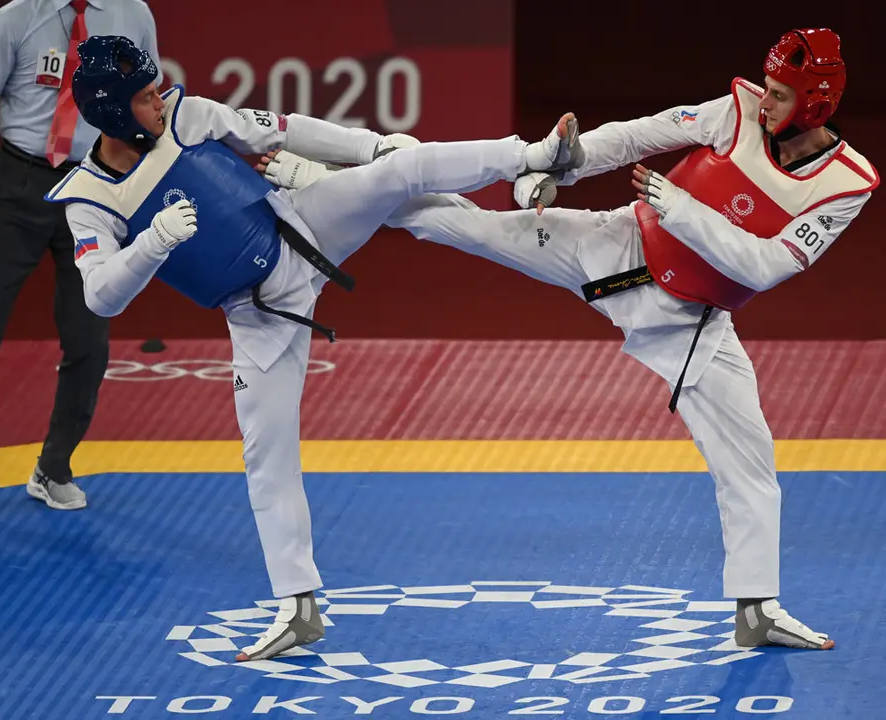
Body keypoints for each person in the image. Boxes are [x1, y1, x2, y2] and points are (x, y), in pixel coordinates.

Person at [261, 28, 878, 651]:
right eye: (767, 89)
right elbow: (639, 134)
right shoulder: (737, 111)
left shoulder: (844, 184)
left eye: (780, 95)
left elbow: (764, 266)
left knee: (751, 465)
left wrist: (681, 208)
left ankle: (758, 610)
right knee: (466, 227)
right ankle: (324, 173)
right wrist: (563, 164)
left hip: (695, 325)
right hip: (621, 256)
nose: (766, 102)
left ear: (816, 102)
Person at [44, 34, 584, 661]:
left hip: (301, 226)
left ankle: (537, 156)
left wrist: (370, 146)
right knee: (266, 455)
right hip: (256, 315)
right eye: (142, 98)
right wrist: (151, 242)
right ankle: (298, 607)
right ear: (110, 113)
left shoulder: (187, 115)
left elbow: (284, 129)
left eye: (156, 90)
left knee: (401, 171)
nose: (158, 102)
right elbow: (101, 298)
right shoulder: (89, 200)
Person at [0, 0, 159, 510]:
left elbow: (149, 102)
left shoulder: (134, 15)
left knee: (88, 338)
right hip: (18, 183)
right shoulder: (15, 18)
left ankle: (53, 467)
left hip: (93, 188)